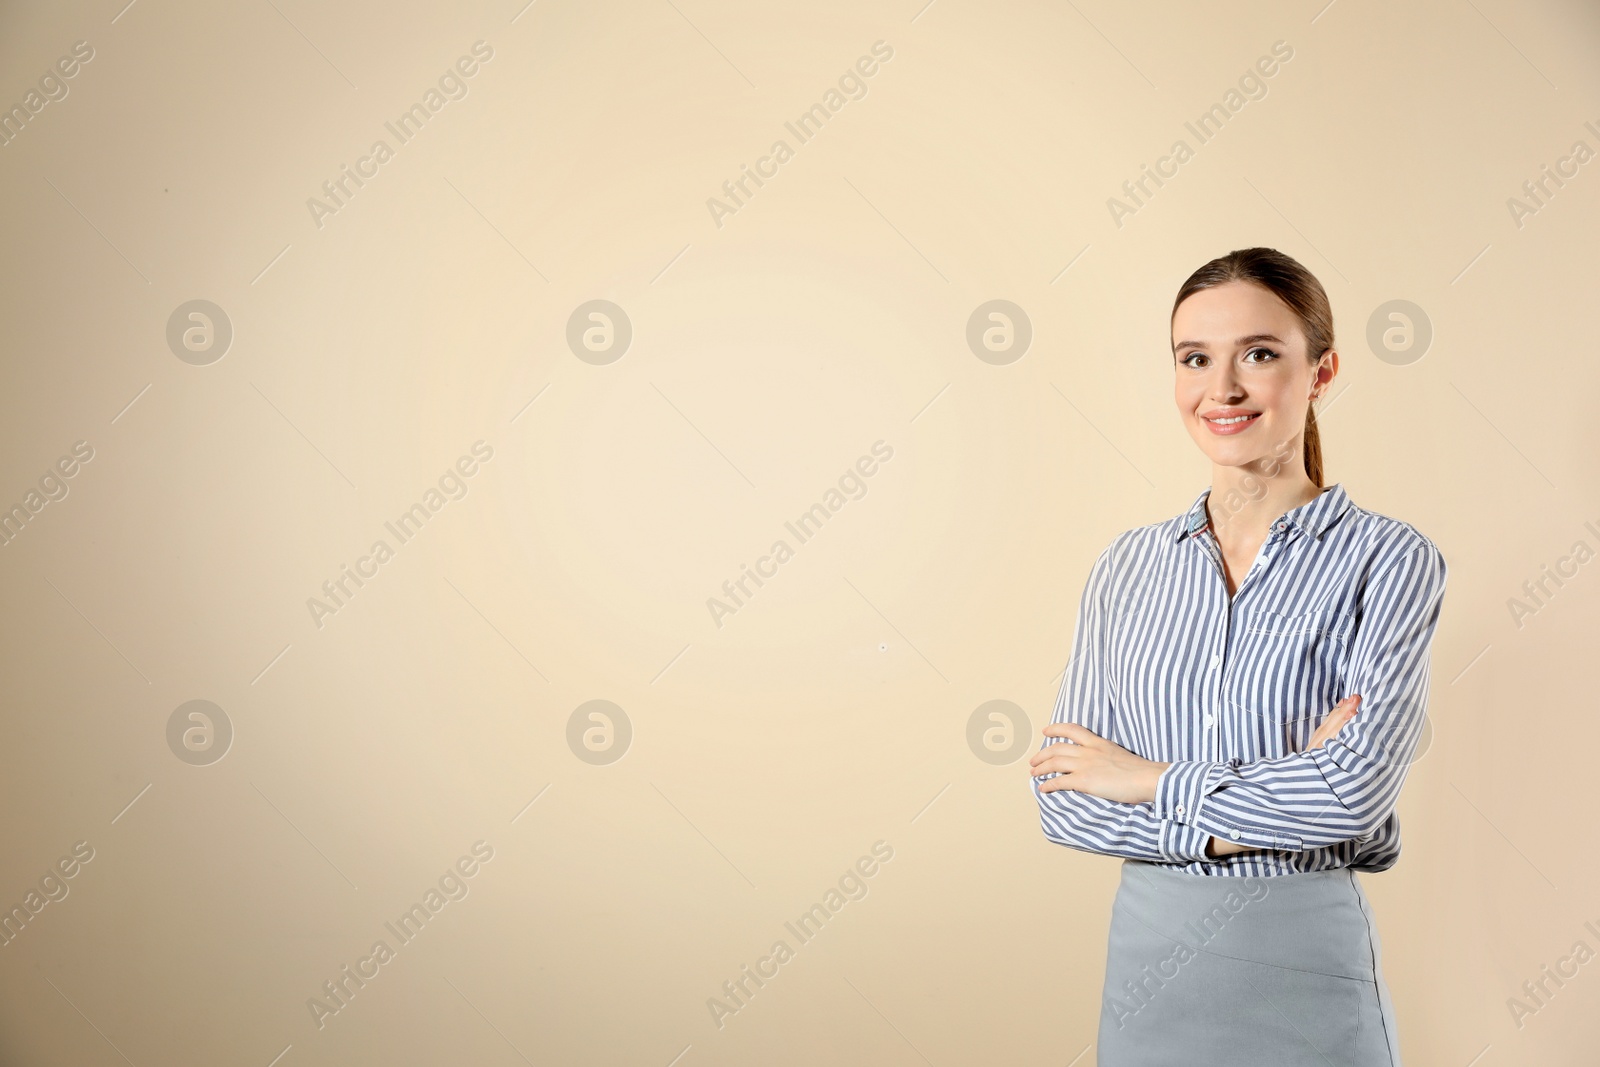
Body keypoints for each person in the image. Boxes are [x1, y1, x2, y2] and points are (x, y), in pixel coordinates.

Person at [1027, 247, 1447, 1065]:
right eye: (1195, 358)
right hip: (1150, 976)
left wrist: (1149, 779)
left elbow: (1352, 798)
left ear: (1321, 373)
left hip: (1306, 969)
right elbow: (1064, 798)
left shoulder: (1389, 559)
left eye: (1258, 353)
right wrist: (1276, 802)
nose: (1221, 388)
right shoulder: (1128, 565)